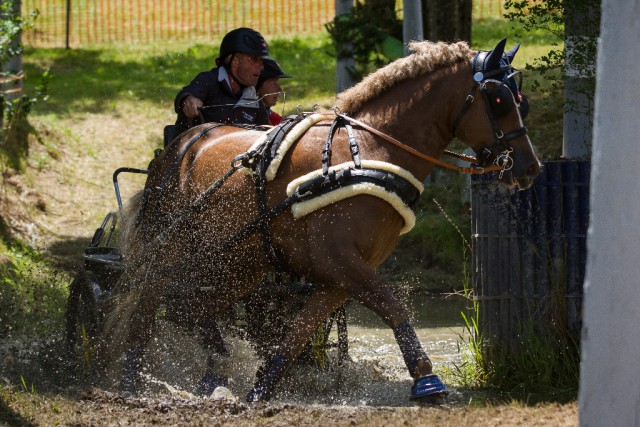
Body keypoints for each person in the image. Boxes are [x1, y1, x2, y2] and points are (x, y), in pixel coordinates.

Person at [173, 27, 273, 136]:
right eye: (254, 59)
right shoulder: (208, 80)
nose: (261, 67)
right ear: (234, 61)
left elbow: (266, 136)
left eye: (261, 61)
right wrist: (188, 101)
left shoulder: (254, 101)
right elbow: (185, 96)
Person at [256, 59, 291, 126]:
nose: (280, 90)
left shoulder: (275, 119)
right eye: (273, 84)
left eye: (278, 83)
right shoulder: (245, 117)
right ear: (256, 87)